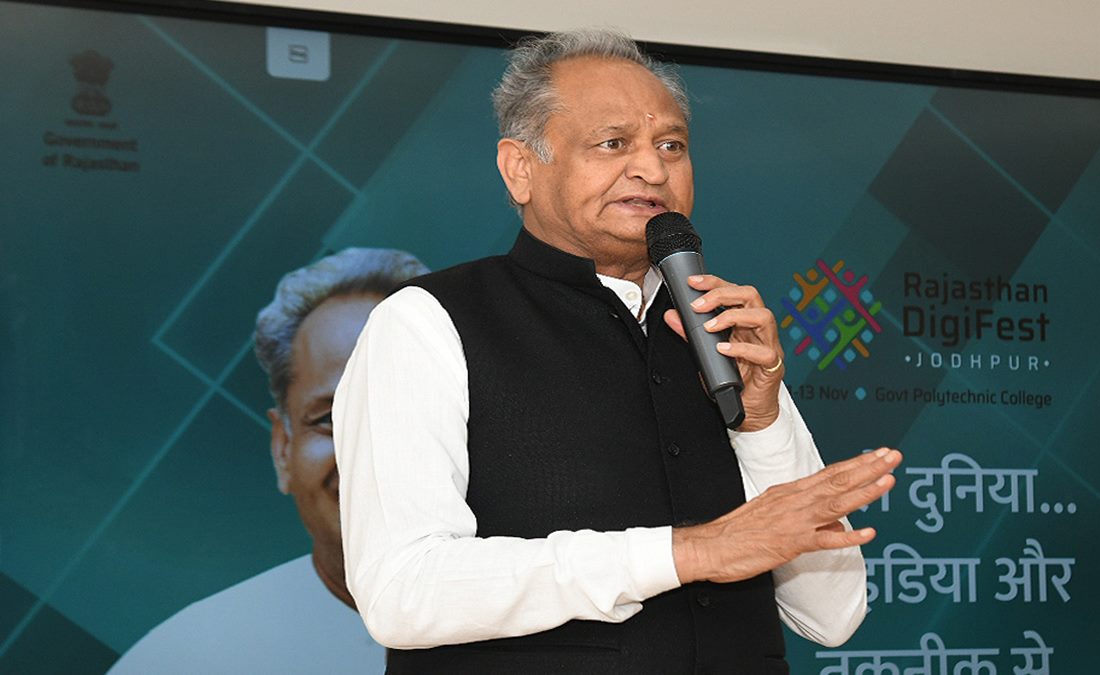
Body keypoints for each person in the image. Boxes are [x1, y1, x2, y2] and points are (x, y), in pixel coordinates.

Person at [334, 29, 901, 673]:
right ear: (520, 169)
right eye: (613, 143)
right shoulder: (428, 322)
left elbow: (833, 615)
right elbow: (402, 590)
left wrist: (763, 424)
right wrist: (690, 552)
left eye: (671, 145)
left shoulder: (718, 329)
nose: (653, 170)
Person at [109, 248, 429, 675]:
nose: (368, 449)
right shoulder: (180, 661)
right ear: (282, 449)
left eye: (406, 409)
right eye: (329, 419)